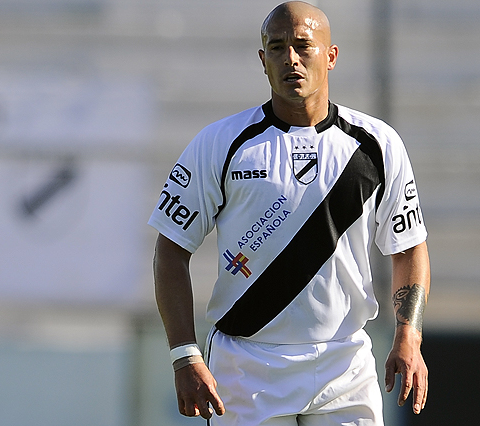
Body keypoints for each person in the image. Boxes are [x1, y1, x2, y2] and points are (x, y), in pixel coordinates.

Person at [149, 2, 430, 425]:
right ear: (263, 60)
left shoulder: (377, 145)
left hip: (344, 363)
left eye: (303, 45)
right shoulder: (220, 143)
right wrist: (184, 354)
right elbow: (171, 250)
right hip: (247, 366)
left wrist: (409, 333)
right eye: (277, 47)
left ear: (330, 56)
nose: (290, 58)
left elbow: (408, 248)